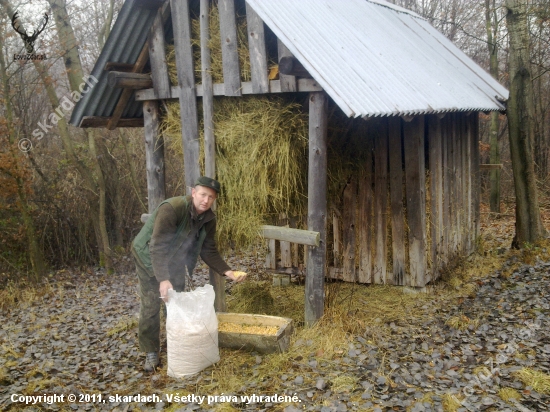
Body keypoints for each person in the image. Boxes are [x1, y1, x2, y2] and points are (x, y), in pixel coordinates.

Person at [131, 176, 246, 372]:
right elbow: (157, 246)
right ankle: (151, 351)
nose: (206, 200)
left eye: (211, 197)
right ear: (193, 192)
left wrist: (228, 271)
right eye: (202, 194)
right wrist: (163, 279)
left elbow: (208, 250)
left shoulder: (208, 219)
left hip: (175, 259)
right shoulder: (172, 209)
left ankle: (174, 340)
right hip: (148, 256)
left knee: (176, 301)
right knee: (152, 304)